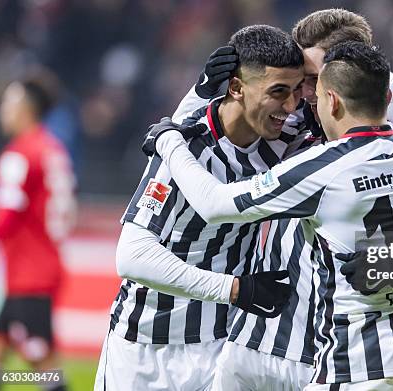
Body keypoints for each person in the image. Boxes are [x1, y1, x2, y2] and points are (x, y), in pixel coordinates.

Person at [167, 8, 393, 390]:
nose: (300, 95)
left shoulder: (359, 150)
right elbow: (204, 141)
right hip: (254, 341)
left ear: (335, 88)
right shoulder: (286, 126)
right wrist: (197, 98)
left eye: (311, 81)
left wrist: (389, 264)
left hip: (329, 356)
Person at [93, 25, 304, 391]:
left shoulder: (285, 134)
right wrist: (235, 289)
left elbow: (356, 78)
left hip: (219, 347)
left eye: (296, 91)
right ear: (236, 88)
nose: (291, 106)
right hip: (144, 347)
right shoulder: (182, 147)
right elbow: (132, 256)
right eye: (278, 92)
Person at [0, 75, 76, 391]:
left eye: (8, 103)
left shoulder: (20, 153)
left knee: (45, 370)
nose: (3, 110)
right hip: (40, 265)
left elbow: (5, 217)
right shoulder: (52, 148)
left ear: (24, 108)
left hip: (29, 276)